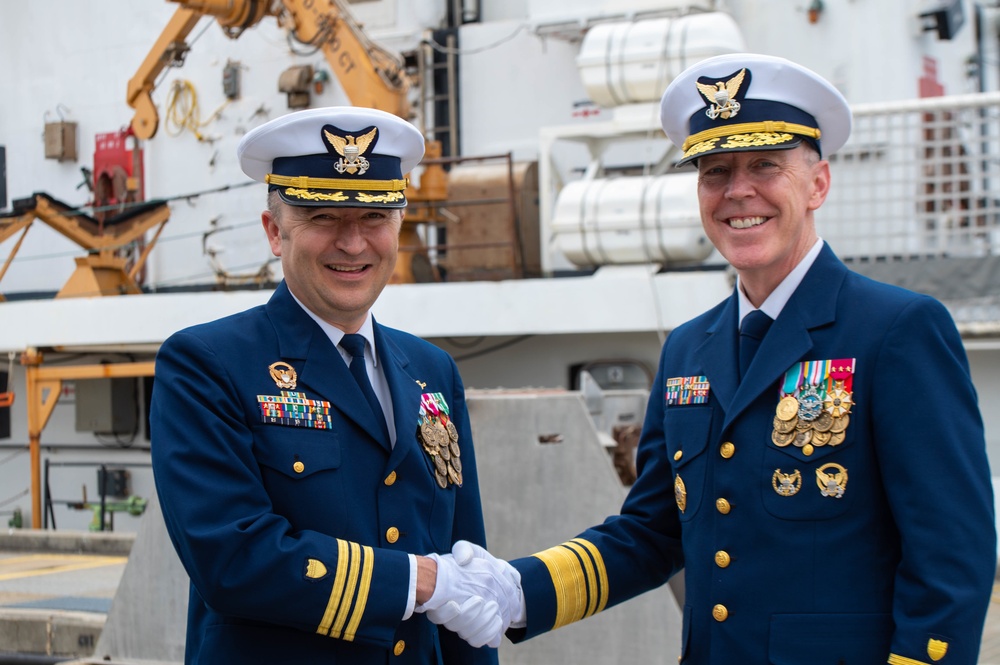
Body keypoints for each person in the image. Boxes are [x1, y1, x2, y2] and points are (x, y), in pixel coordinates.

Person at [433, 53, 998, 664]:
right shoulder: (688, 348)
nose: (737, 192)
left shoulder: (896, 331)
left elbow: (952, 556)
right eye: (714, 171)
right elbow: (653, 531)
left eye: (765, 166)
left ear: (818, 184)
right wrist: (521, 590)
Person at [149, 106, 517, 664]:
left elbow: (464, 578)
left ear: (398, 224)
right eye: (323, 217)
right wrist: (416, 581)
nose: (353, 243)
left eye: (374, 218)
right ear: (275, 231)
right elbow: (232, 557)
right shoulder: (208, 364)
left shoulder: (432, 370)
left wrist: (451, 591)